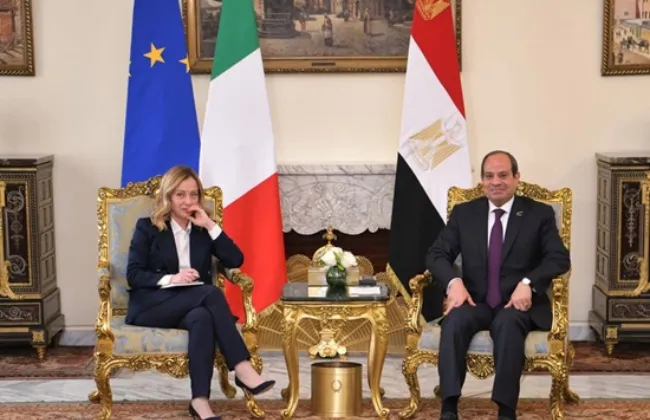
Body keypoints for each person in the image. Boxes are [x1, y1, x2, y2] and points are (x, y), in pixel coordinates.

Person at [426, 151, 570, 420]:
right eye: (489, 176)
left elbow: (559, 258)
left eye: (503, 175)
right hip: (476, 301)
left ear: (516, 178)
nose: (496, 182)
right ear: (482, 181)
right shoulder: (465, 213)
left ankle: (506, 410)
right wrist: (454, 283)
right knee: (454, 320)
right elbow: (436, 255)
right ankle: (449, 406)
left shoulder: (538, 214)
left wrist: (529, 283)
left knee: (508, 323)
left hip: (516, 303)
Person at [125, 165, 275, 420]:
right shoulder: (147, 227)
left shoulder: (202, 229)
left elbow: (236, 259)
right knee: (211, 293)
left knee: (202, 318)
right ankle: (241, 366)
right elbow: (134, 274)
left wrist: (210, 225)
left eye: (194, 194)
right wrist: (173, 278)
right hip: (153, 305)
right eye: (180, 195)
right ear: (168, 197)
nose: (188, 201)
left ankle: (200, 402)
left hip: (192, 304)